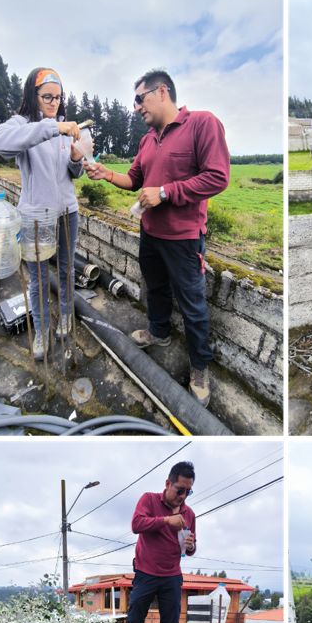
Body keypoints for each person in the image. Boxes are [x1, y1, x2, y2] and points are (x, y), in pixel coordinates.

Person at [86, 69, 230, 407]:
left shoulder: (202, 124)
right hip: (150, 233)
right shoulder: (147, 140)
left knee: (193, 305)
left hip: (183, 239)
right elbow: (135, 179)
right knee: (156, 288)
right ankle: (159, 332)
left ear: (162, 92)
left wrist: (165, 193)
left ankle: (198, 367)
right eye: (134, 101)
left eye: (140, 98)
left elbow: (218, 177)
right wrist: (105, 173)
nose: (136, 107)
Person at [0, 68, 85, 362]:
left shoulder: (66, 126)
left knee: (68, 271)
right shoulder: (23, 124)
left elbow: (74, 173)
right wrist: (52, 127)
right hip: (36, 217)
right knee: (39, 278)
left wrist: (76, 158)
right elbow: (0, 143)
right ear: (33, 96)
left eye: (58, 97)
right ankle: (43, 329)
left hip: (67, 213)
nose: (53, 102)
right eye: (47, 96)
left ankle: (67, 315)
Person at [116, 461, 197, 623]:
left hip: (172, 574)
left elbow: (190, 548)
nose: (183, 496)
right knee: (135, 618)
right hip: (146, 572)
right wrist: (166, 520)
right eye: (180, 490)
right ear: (168, 483)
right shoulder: (149, 500)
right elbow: (137, 524)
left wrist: (190, 546)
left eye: (188, 492)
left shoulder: (189, 514)